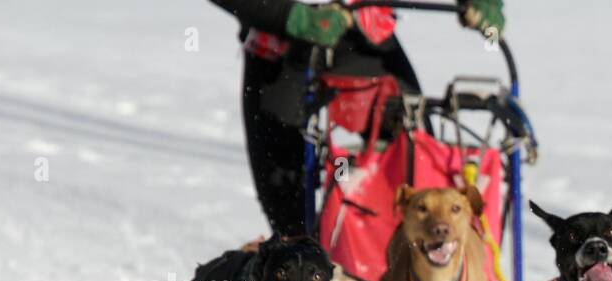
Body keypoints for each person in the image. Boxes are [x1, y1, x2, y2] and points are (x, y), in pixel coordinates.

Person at [208, 1, 505, 236]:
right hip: (277, 42)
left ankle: (415, 269)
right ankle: (302, 266)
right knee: (283, 194)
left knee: (415, 154)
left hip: (364, 37)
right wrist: (292, 16)